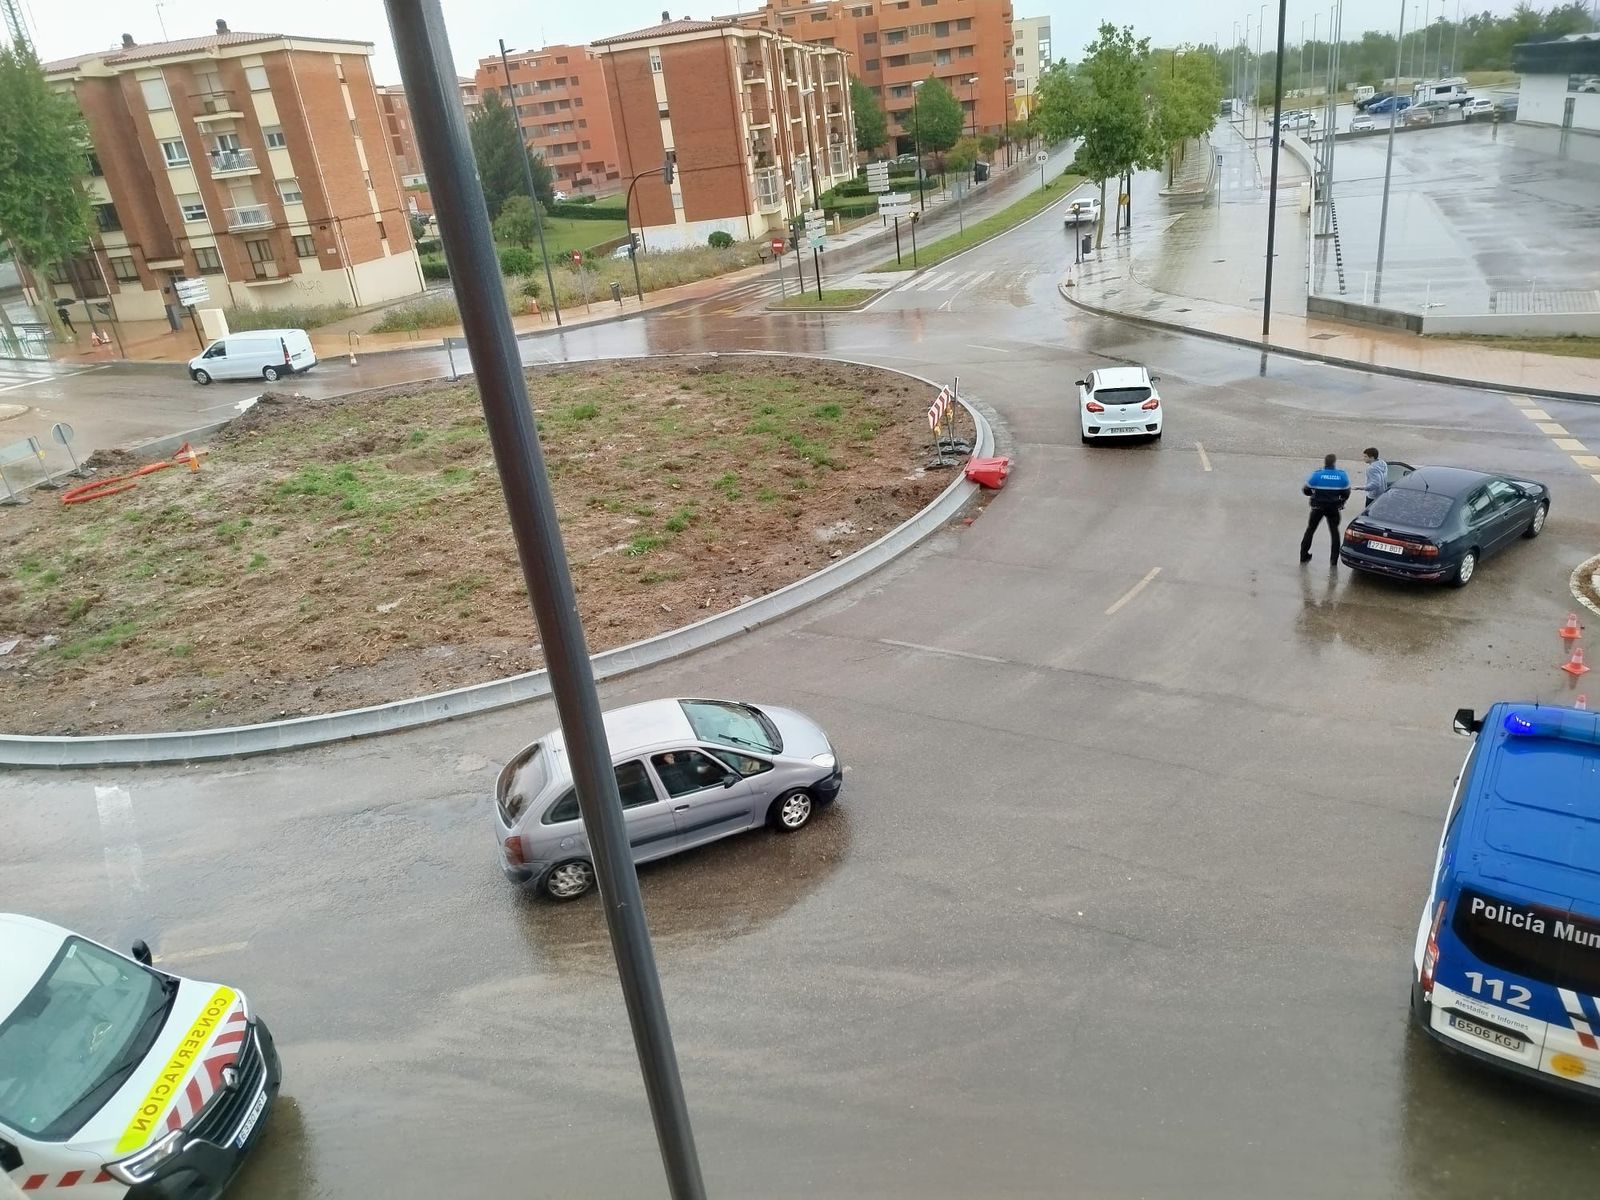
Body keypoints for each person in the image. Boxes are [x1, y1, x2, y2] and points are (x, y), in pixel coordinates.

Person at [1300, 453, 1351, 565]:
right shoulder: (1342, 475)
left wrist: (1314, 493)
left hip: (1317, 507)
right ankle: (1333, 560)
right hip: (1333, 508)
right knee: (1334, 532)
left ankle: (1303, 556)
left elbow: (1306, 490)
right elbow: (1346, 493)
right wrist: (1340, 499)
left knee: (1310, 530)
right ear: (1334, 463)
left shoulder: (1317, 475)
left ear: (1325, 462)